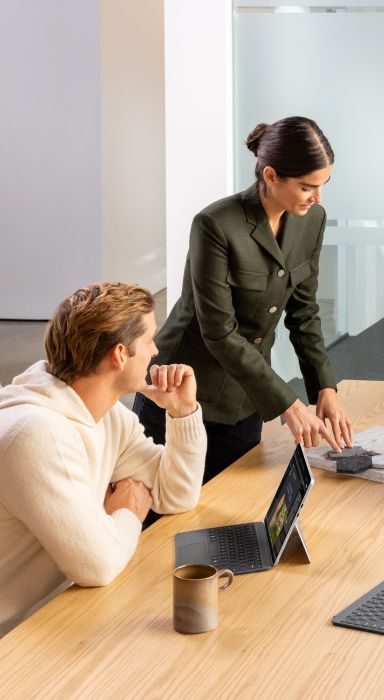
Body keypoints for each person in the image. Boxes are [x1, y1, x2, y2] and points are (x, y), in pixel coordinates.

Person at [134, 116, 351, 483]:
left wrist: (324, 387)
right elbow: (219, 332)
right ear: (270, 176)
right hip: (180, 393)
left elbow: (304, 313)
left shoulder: (312, 220)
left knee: (233, 514)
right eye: (307, 187)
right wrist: (288, 403)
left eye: (323, 184)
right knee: (162, 518)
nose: (318, 197)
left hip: (245, 398)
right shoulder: (215, 225)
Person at [0, 283, 206, 636]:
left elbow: (176, 494)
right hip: (14, 642)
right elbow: (98, 565)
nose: (156, 351)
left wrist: (183, 411)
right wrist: (126, 512)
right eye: (150, 340)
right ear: (121, 354)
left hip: (52, 618)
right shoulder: (35, 434)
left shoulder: (107, 417)